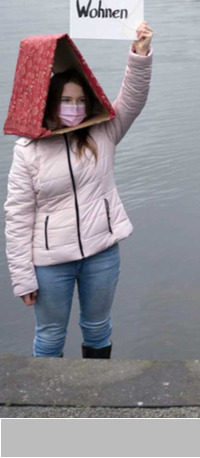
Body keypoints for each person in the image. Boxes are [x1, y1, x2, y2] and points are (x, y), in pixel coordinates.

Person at [4, 23, 154, 358]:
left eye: (81, 100)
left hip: (101, 253)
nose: (75, 106)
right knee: (50, 336)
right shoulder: (28, 150)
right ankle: (47, 407)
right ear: (50, 103)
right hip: (50, 262)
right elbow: (17, 217)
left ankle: (97, 401)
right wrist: (22, 277)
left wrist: (140, 52)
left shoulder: (104, 133)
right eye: (66, 100)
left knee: (98, 329)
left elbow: (132, 98)